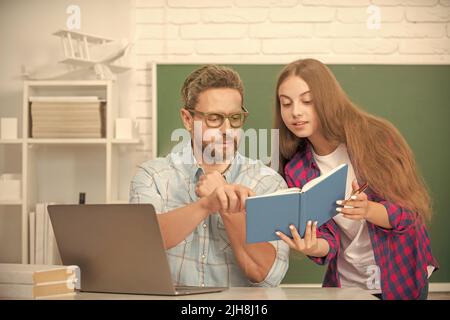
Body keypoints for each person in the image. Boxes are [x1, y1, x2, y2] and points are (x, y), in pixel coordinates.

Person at [273, 58, 438, 300]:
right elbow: (327, 238)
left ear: (327, 98)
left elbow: (410, 214)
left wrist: (368, 209)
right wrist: (312, 246)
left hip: (401, 274)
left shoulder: (375, 137)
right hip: (348, 283)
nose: (295, 112)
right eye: (286, 104)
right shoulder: (296, 168)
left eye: (307, 101)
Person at [130, 65, 289, 287]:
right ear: (187, 119)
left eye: (235, 118)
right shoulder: (153, 176)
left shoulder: (268, 183)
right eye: (214, 118)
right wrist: (207, 204)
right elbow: (142, 245)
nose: (227, 129)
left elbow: (267, 276)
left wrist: (227, 207)